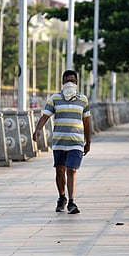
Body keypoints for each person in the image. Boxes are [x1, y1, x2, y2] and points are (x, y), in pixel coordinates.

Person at [32, 70, 91, 214]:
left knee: (72, 170)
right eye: (67, 81)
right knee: (60, 170)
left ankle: (72, 201)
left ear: (77, 82)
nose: (70, 83)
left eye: (73, 81)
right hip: (59, 141)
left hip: (76, 142)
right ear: (63, 82)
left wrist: (88, 141)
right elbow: (45, 116)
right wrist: (38, 129)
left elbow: (87, 121)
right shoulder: (54, 99)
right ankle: (62, 197)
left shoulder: (83, 100)